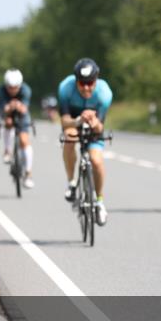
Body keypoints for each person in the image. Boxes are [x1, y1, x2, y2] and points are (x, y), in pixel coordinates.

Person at [58, 58, 113, 226]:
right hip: (75, 120)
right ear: (76, 81)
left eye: (90, 83)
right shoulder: (65, 88)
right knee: (69, 137)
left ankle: (100, 202)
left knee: (96, 160)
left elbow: (100, 127)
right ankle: (71, 183)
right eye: (82, 83)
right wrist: (78, 121)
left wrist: (95, 123)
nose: (87, 87)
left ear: (96, 80)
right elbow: (64, 121)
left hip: (94, 122)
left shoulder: (104, 93)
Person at [0, 69, 35, 188]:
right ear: (6, 85)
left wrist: (17, 105)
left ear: (20, 85)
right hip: (8, 113)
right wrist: (10, 108)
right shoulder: (1, 91)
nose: (12, 90)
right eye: (10, 87)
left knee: (24, 141)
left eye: (15, 87)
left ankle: (28, 173)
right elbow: (3, 109)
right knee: (8, 122)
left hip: (22, 114)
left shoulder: (26, 90)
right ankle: (7, 151)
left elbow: (24, 109)